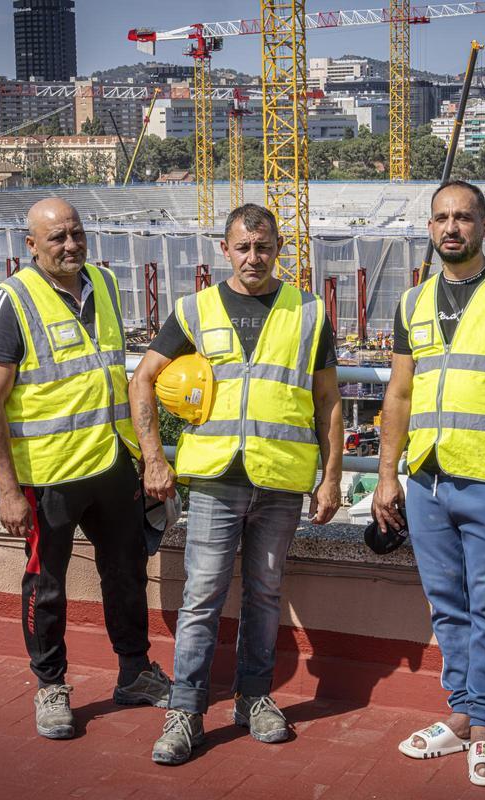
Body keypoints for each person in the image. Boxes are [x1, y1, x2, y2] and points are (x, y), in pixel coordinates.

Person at [130, 203, 343, 766]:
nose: (254, 257)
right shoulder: (194, 310)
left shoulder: (309, 311)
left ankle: (253, 698)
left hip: (280, 479)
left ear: (279, 250)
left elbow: (328, 401)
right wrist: (154, 457)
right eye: (243, 247)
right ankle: (186, 711)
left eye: (264, 247)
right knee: (202, 597)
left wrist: (332, 477)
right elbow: (143, 380)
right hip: (217, 478)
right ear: (224, 250)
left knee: (265, 595)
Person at [374, 180, 485, 788]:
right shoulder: (413, 302)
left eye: (464, 217)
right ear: (430, 228)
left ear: (484, 225)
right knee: (446, 605)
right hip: (427, 479)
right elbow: (398, 395)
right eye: (442, 218)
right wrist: (385, 477)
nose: (452, 227)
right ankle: (460, 711)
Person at [0, 198, 170, 741]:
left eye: (77, 234)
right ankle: (51, 686)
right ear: (31, 245)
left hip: (109, 463)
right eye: (57, 237)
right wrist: (8, 490)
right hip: (49, 476)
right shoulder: (11, 301)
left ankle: (135, 670)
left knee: (128, 575)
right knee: (47, 585)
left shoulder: (104, 285)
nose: (70, 245)